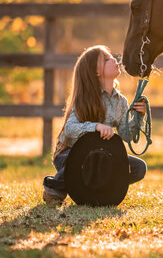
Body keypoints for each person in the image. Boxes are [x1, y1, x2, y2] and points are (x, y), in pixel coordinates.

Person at [42, 45, 147, 205]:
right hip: (69, 153)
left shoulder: (120, 102)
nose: (114, 59)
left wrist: (139, 117)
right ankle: (54, 188)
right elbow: (70, 128)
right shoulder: (84, 98)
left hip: (100, 156)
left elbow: (126, 135)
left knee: (138, 167)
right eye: (106, 59)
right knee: (85, 160)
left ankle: (96, 186)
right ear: (96, 71)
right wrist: (95, 127)